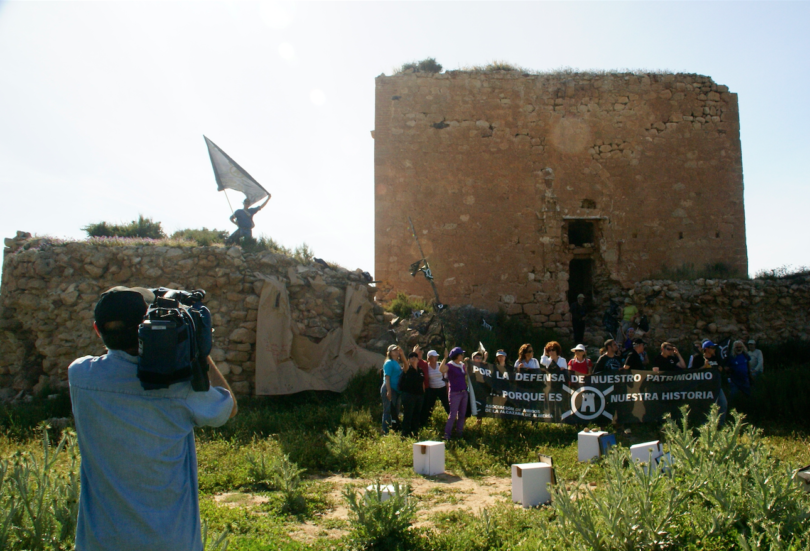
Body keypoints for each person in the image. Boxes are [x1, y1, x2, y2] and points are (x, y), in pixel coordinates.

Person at [68, 287, 237, 551]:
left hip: (100, 540)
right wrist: (196, 349)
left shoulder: (80, 376)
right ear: (145, 326)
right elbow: (228, 406)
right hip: (168, 540)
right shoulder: (180, 389)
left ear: (97, 330)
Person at [692, 340, 728, 425]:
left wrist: (720, 369)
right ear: (707, 349)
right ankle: (705, 424)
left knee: (723, 403)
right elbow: (694, 372)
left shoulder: (715, 358)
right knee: (708, 406)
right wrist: (704, 366)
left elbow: (719, 369)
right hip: (705, 387)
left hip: (716, 385)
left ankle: (720, 424)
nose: (714, 349)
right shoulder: (698, 358)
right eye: (713, 348)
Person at [440, 347, 469, 440]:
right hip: (455, 393)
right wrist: (444, 358)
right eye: (461, 354)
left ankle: (459, 433)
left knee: (462, 414)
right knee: (452, 414)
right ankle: (447, 434)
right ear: (456, 356)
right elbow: (441, 369)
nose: (462, 355)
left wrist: (468, 364)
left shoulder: (462, 365)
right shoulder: (450, 365)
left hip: (464, 392)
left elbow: (467, 373)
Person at [420, 350, 450, 426]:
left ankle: (452, 420)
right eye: (434, 356)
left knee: (447, 405)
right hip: (432, 389)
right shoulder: (426, 367)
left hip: (442, 388)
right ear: (429, 358)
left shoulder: (440, 364)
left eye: (436, 356)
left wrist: (447, 389)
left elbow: (446, 377)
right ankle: (426, 422)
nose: (436, 358)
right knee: (429, 406)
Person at [399, 352, 425, 436]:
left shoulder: (420, 371)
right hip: (409, 395)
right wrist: (402, 354)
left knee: (417, 414)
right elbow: (405, 363)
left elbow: (422, 383)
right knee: (408, 414)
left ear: (418, 359)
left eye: (415, 356)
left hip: (419, 396)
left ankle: (414, 432)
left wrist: (423, 393)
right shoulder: (407, 369)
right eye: (411, 357)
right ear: (409, 360)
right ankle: (405, 433)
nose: (414, 358)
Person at [381, 344, 405, 434]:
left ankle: (394, 428)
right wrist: (388, 391)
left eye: (397, 350)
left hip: (397, 390)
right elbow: (387, 377)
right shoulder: (389, 363)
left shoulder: (397, 363)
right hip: (390, 388)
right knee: (388, 410)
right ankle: (385, 431)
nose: (396, 351)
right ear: (390, 352)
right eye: (394, 350)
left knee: (396, 411)